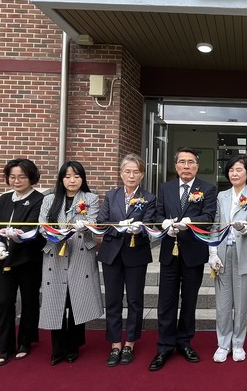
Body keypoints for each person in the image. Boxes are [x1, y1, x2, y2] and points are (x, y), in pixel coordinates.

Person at [148, 147, 217, 371]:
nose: (186, 166)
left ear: (197, 166)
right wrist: (164, 224)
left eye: (191, 162)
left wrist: (190, 222)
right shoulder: (165, 187)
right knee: (166, 302)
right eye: (182, 162)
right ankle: (164, 346)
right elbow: (157, 214)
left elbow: (208, 217)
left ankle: (184, 342)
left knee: (189, 301)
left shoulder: (207, 189)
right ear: (175, 166)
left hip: (194, 253)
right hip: (170, 251)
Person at [38, 161, 103, 365]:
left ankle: (73, 346)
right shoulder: (49, 199)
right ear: (61, 179)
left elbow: (93, 222)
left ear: (82, 178)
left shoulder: (90, 198)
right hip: (55, 252)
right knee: (56, 300)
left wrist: (84, 226)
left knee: (77, 299)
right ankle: (57, 349)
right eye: (67, 176)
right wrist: (56, 234)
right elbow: (42, 226)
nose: (72, 180)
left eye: (76, 176)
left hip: (80, 252)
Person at [97, 154, 156, 367]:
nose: (131, 175)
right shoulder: (111, 195)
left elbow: (149, 223)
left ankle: (130, 342)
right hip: (111, 253)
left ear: (142, 175)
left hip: (136, 253)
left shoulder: (149, 198)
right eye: (127, 171)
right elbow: (101, 222)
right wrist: (119, 227)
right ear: (121, 174)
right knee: (113, 300)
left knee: (134, 300)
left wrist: (139, 229)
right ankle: (115, 344)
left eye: (136, 172)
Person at [0, 159, 45, 366]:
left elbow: (34, 228)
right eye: (12, 177)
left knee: (29, 300)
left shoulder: (40, 199)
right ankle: (5, 346)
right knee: (4, 302)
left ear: (31, 177)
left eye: (22, 176)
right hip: (3, 257)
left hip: (28, 258)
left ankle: (25, 341)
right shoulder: (4, 199)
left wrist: (18, 238)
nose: (17, 181)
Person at [208, 154, 247, 363]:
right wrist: (213, 251)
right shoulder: (221, 196)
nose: (234, 173)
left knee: (240, 304)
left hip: (244, 253)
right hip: (223, 252)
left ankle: (238, 344)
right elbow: (215, 225)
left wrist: (244, 228)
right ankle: (223, 344)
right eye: (231, 170)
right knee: (222, 304)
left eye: (239, 170)